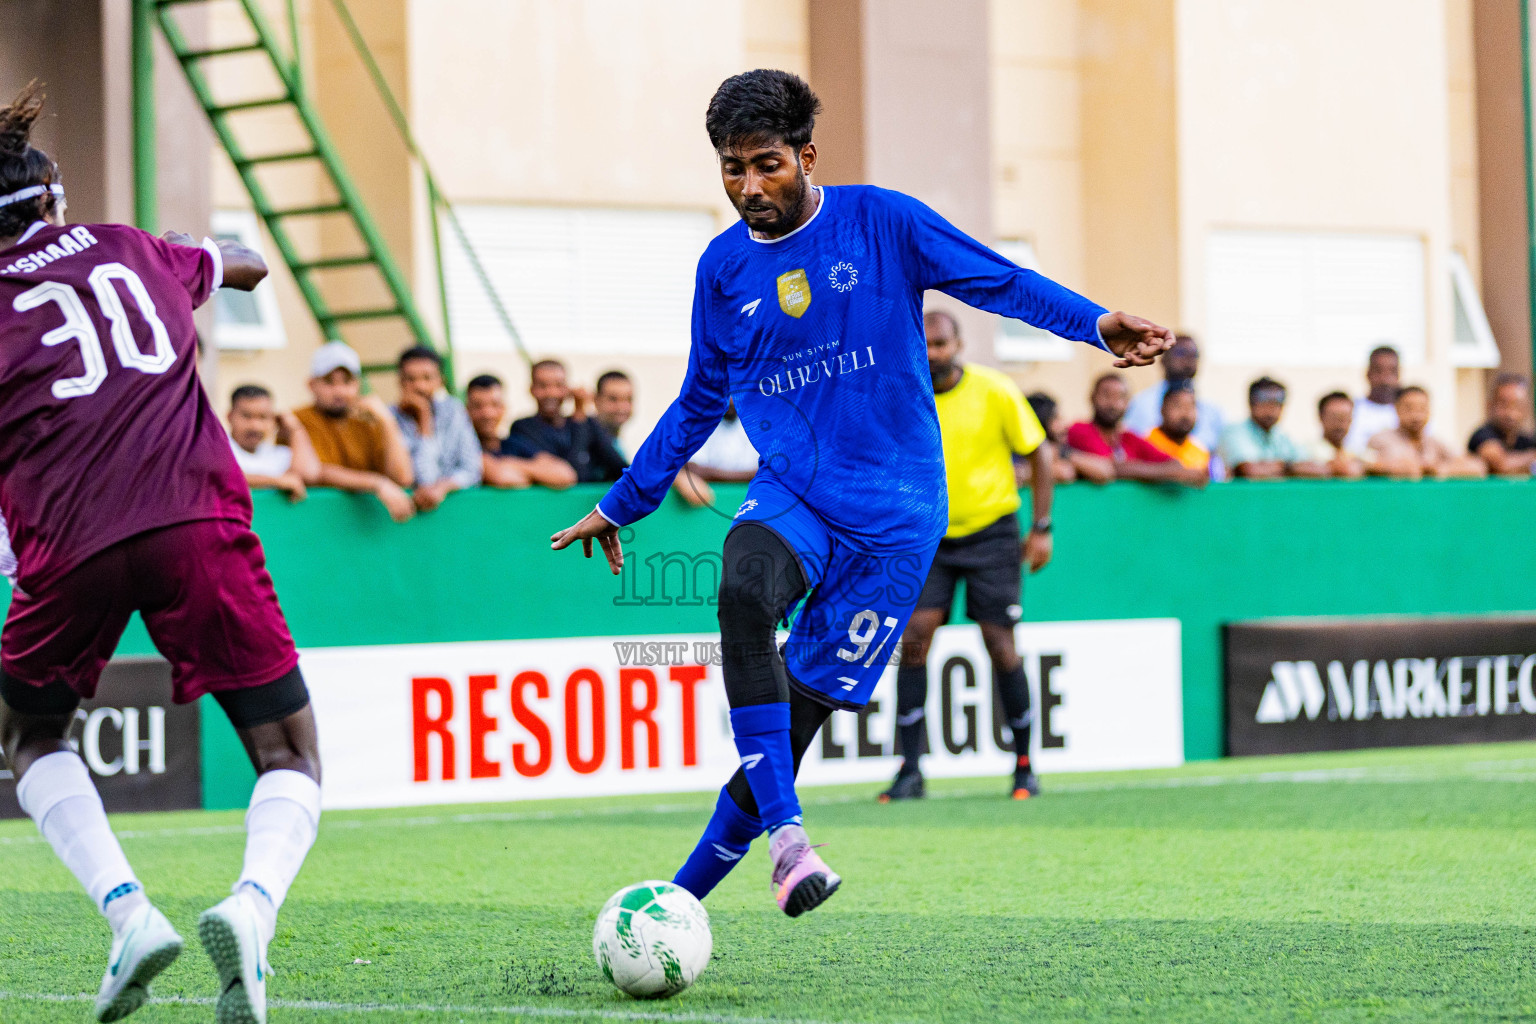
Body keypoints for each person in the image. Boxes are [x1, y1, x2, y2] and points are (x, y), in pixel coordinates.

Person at [550, 69, 1175, 917]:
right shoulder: (724, 267)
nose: (747, 187)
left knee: (794, 727)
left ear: (807, 155)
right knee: (740, 590)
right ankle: (789, 842)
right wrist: (625, 499)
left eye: (765, 164)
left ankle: (677, 902)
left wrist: (1096, 324)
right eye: (731, 169)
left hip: (897, 520)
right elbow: (702, 395)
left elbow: (999, 281)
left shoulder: (883, 220)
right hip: (796, 493)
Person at [0, 83, 319, 1024]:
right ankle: (252, 908)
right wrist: (207, 257)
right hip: (197, 524)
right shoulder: (136, 250)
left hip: (67, 545)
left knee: (29, 735)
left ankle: (129, 913)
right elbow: (246, 261)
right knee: (289, 751)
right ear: (54, 197)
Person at [880, 310, 1055, 804]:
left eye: (941, 343)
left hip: (991, 535)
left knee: (1001, 644)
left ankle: (1024, 766)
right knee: (915, 640)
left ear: (958, 344)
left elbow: (1039, 452)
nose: (933, 353)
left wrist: (1041, 528)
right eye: (926, 344)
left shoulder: (995, 389)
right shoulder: (902, 395)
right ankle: (909, 771)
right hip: (928, 536)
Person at [294, 341, 416, 522]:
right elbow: (316, 472)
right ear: (312, 384)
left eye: (347, 381)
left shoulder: (370, 420)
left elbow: (403, 477)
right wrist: (377, 484)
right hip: (315, 523)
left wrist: (388, 421)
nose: (340, 391)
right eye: (329, 382)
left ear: (358, 384)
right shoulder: (299, 419)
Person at [1066, 375, 1206, 486]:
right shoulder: (1079, 430)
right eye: (1106, 395)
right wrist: (1169, 474)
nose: (1113, 404)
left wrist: (1172, 471)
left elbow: (1174, 464)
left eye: (1120, 397)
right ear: (1092, 397)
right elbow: (1110, 468)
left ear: (1128, 402)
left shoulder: (1129, 438)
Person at [391, 346, 482, 512]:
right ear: (400, 382)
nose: (419, 386)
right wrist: (424, 419)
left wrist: (444, 487)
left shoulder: (453, 410)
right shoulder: (388, 419)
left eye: (427, 378)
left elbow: (472, 470)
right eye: (411, 379)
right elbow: (424, 480)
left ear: (440, 380)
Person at [509, 359, 629, 484]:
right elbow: (574, 473)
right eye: (543, 386)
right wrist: (579, 415)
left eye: (558, 385)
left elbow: (619, 467)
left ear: (567, 389)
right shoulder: (522, 427)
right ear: (531, 389)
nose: (551, 393)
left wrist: (580, 418)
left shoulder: (587, 423)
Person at [463, 373, 577, 489]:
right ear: (466, 409)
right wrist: (537, 476)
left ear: (503, 408)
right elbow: (502, 477)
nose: (487, 413)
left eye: (495, 405)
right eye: (478, 406)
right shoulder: (464, 448)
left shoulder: (513, 443)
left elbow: (565, 475)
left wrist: (510, 464)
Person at [1122, 333, 1226, 450]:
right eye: (1181, 353)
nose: (1188, 359)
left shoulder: (1213, 411)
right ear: (1163, 359)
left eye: (1194, 355)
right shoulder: (1142, 404)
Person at [226, 383, 320, 501]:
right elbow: (221, 476)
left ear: (273, 419)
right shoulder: (218, 448)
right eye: (246, 416)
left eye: (263, 417)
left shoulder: (278, 454)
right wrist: (276, 481)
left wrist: (296, 429)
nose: (255, 426)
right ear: (229, 416)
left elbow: (308, 474)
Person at [1218, 377, 1325, 479]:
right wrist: (1291, 468)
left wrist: (1284, 468)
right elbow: (1250, 471)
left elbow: (1312, 468)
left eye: (1278, 402)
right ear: (1251, 403)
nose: (1272, 408)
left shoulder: (1282, 437)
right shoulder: (1234, 432)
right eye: (1265, 400)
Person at [1370, 385, 1486, 478]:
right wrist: (1393, 468)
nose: (1416, 415)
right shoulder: (1380, 439)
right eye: (1409, 408)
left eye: (1422, 408)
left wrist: (1436, 469)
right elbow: (1365, 465)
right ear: (1396, 409)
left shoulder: (1435, 443)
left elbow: (1477, 467)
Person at [1026, 391, 1109, 484]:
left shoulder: (1065, 452)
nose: (1064, 425)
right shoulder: (1022, 459)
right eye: (1056, 418)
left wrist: (1064, 454)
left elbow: (1105, 471)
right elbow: (1064, 473)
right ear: (1039, 421)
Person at [1468, 373, 1536, 476]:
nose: (1510, 413)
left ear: (1526, 409)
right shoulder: (1482, 435)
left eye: (1518, 405)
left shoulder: (1526, 441)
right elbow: (1500, 464)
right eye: (1504, 404)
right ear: (1489, 405)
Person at [1145, 381, 1213, 478]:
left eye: (1191, 406)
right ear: (1162, 409)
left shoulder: (1201, 452)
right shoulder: (1147, 444)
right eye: (1178, 406)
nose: (1185, 413)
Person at [1344, 345, 1402, 451]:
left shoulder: (1409, 413)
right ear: (1367, 374)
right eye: (1378, 371)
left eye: (1392, 372)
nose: (1385, 379)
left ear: (1399, 375)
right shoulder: (1351, 410)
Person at [1305, 391, 1369, 478]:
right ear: (1320, 417)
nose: (1340, 425)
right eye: (1335, 418)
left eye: (1345, 418)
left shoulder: (1357, 450)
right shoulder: (1307, 451)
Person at [593, 369, 635, 457]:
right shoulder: (587, 443)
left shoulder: (617, 444)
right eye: (613, 399)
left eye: (628, 399)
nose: (622, 407)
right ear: (596, 400)